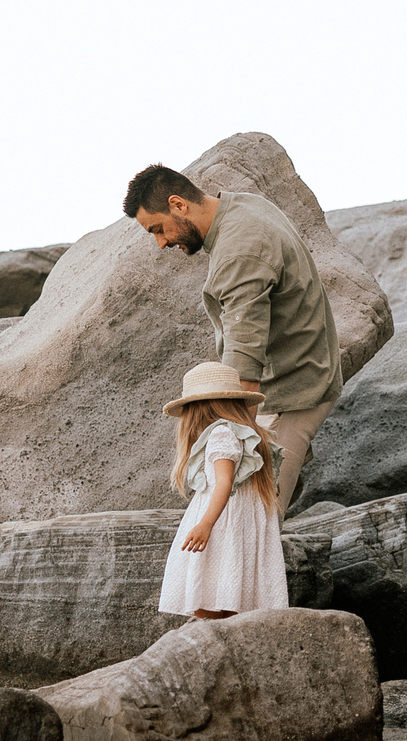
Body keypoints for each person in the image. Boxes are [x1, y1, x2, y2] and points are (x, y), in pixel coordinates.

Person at [124, 163, 342, 514]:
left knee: (253, 518)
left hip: (289, 393)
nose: (161, 242)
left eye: (158, 229)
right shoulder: (243, 205)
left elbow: (245, 356)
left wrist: (234, 442)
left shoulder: (239, 250)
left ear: (179, 205)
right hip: (302, 371)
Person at [157, 361, 289, 621]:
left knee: (208, 599)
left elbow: (224, 482)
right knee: (232, 599)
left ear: (197, 409)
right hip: (242, 524)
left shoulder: (220, 434)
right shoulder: (251, 434)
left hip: (222, 523)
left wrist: (205, 523)